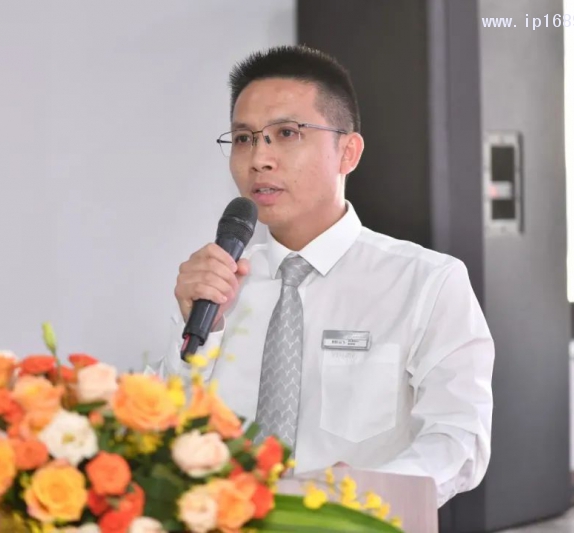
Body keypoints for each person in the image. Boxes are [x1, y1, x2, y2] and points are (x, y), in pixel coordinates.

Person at [151, 45, 494, 508]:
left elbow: (459, 438)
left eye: (286, 133)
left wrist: (365, 494)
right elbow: (161, 428)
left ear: (348, 152)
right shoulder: (219, 284)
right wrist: (198, 330)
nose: (259, 158)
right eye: (244, 138)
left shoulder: (427, 282)